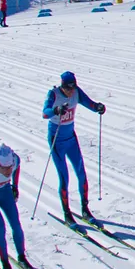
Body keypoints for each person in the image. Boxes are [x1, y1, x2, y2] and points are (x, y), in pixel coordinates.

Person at [42, 71, 106, 224]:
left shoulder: (76, 92)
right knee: (64, 177)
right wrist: (56, 110)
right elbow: (45, 113)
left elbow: (90, 103)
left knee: (81, 173)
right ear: (62, 86)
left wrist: (98, 107)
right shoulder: (53, 94)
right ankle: (67, 213)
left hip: (71, 138)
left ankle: (85, 209)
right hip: (57, 139)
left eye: (73, 88)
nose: (71, 92)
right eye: (68, 89)